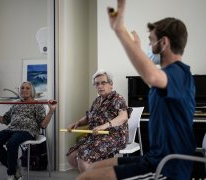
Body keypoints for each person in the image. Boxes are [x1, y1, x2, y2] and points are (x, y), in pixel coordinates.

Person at [77, 0, 196, 180]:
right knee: (93, 168)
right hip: (154, 158)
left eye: (151, 41)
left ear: (163, 43)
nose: (149, 47)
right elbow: (151, 76)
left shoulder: (178, 73)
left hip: (168, 167)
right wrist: (136, 47)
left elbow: (152, 76)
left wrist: (118, 31)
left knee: (85, 178)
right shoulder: (169, 79)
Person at [0, 81, 56, 180]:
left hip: (28, 131)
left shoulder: (37, 105)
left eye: (27, 88)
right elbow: (4, 120)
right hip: (11, 129)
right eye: (22, 88)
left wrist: (51, 111)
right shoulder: (15, 104)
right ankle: (15, 168)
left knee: (12, 143)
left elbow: (43, 125)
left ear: (32, 91)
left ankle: (11, 174)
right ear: (20, 91)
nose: (24, 90)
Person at [66, 69, 131, 173]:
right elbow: (88, 117)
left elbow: (123, 117)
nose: (100, 86)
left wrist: (104, 126)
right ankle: (96, 174)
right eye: (97, 84)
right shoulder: (97, 100)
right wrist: (77, 123)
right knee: (71, 155)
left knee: (83, 156)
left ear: (111, 84)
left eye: (103, 83)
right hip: (95, 136)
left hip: (114, 136)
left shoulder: (117, 98)